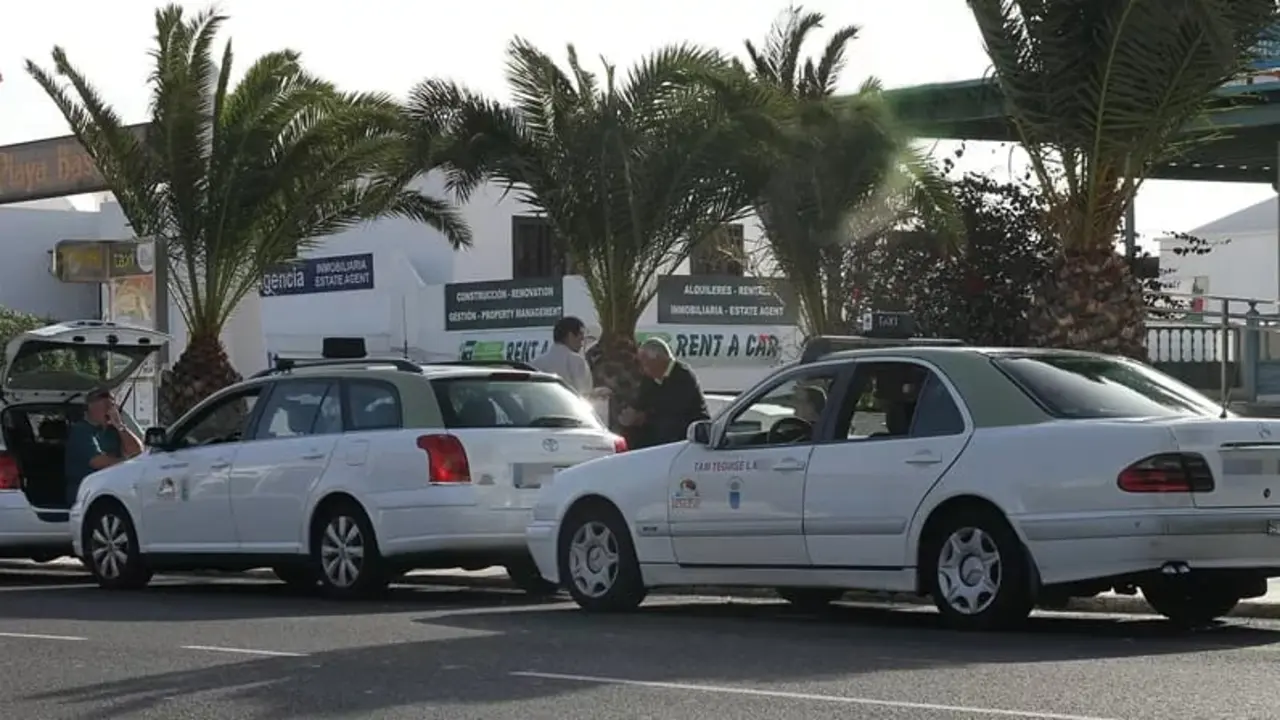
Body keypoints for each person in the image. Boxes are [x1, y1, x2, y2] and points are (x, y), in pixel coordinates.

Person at [619, 338, 709, 449]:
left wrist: (644, 418)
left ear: (658, 359)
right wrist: (630, 413)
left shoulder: (683, 376)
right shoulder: (649, 378)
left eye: (645, 362)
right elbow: (640, 401)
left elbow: (675, 411)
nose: (642, 368)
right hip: (658, 425)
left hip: (685, 429)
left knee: (666, 427)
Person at [64, 388, 143, 505]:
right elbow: (98, 462)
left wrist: (120, 426)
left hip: (111, 489)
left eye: (112, 406)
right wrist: (128, 463)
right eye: (106, 406)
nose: (110, 411)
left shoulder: (113, 431)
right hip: (85, 491)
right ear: (91, 408)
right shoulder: (81, 430)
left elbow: (136, 451)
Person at [530, 316, 594, 396]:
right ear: (570, 335)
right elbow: (584, 395)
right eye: (580, 338)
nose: (582, 344)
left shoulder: (536, 363)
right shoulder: (577, 361)